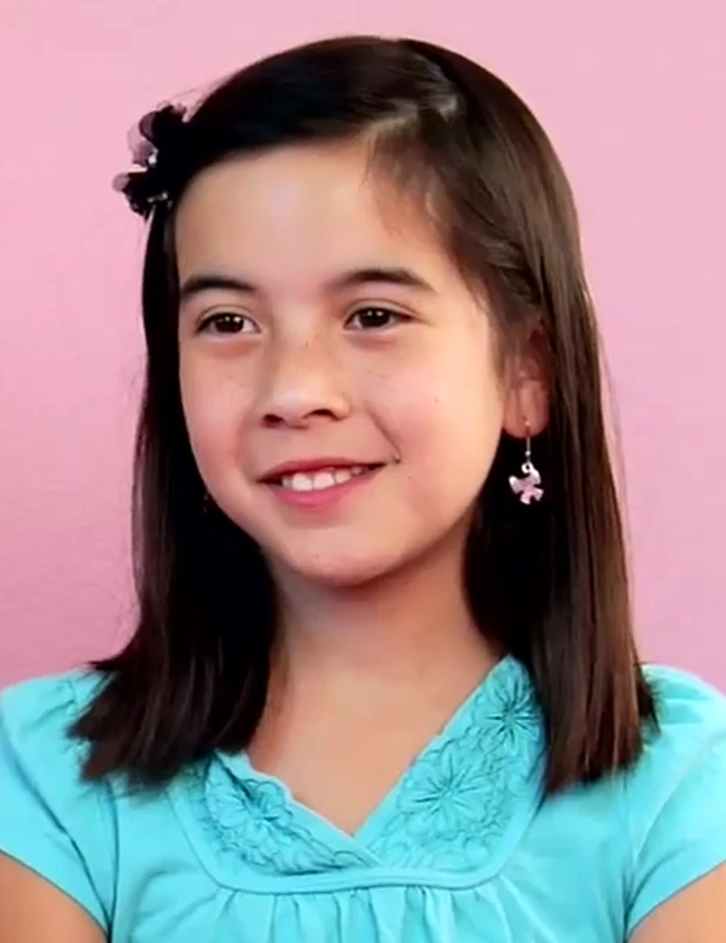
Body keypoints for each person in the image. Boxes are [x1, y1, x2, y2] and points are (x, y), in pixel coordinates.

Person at [1, 34, 724, 943]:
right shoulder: (43, 778)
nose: (295, 390)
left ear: (527, 373)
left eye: (373, 315)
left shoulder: (680, 787)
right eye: (227, 322)